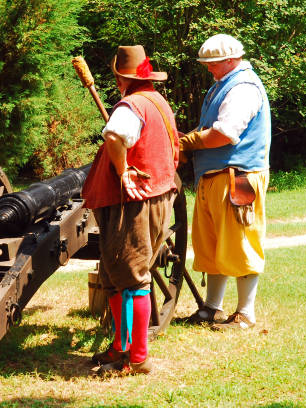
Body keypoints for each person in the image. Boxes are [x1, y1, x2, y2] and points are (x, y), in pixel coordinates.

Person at [82, 45, 179, 374]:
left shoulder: (132, 105)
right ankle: (121, 346)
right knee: (114, 275)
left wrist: (122, 171)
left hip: (133, 202)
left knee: (133, 277)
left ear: (121, 78)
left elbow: (114, 135)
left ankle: (138, 359)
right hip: (152, 195)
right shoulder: (157, 101)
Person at [179, 34, 271, 330]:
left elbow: (224, 134)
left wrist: (188, 143)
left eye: (213, 63)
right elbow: (209, 128)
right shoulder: (223, 85)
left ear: (230, 60)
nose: (208, 69)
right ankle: (211, 308)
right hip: (216, 177)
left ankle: (245, 314)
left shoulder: (243, 88)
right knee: (212, 244)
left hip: (238, 178)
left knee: (240, 244)